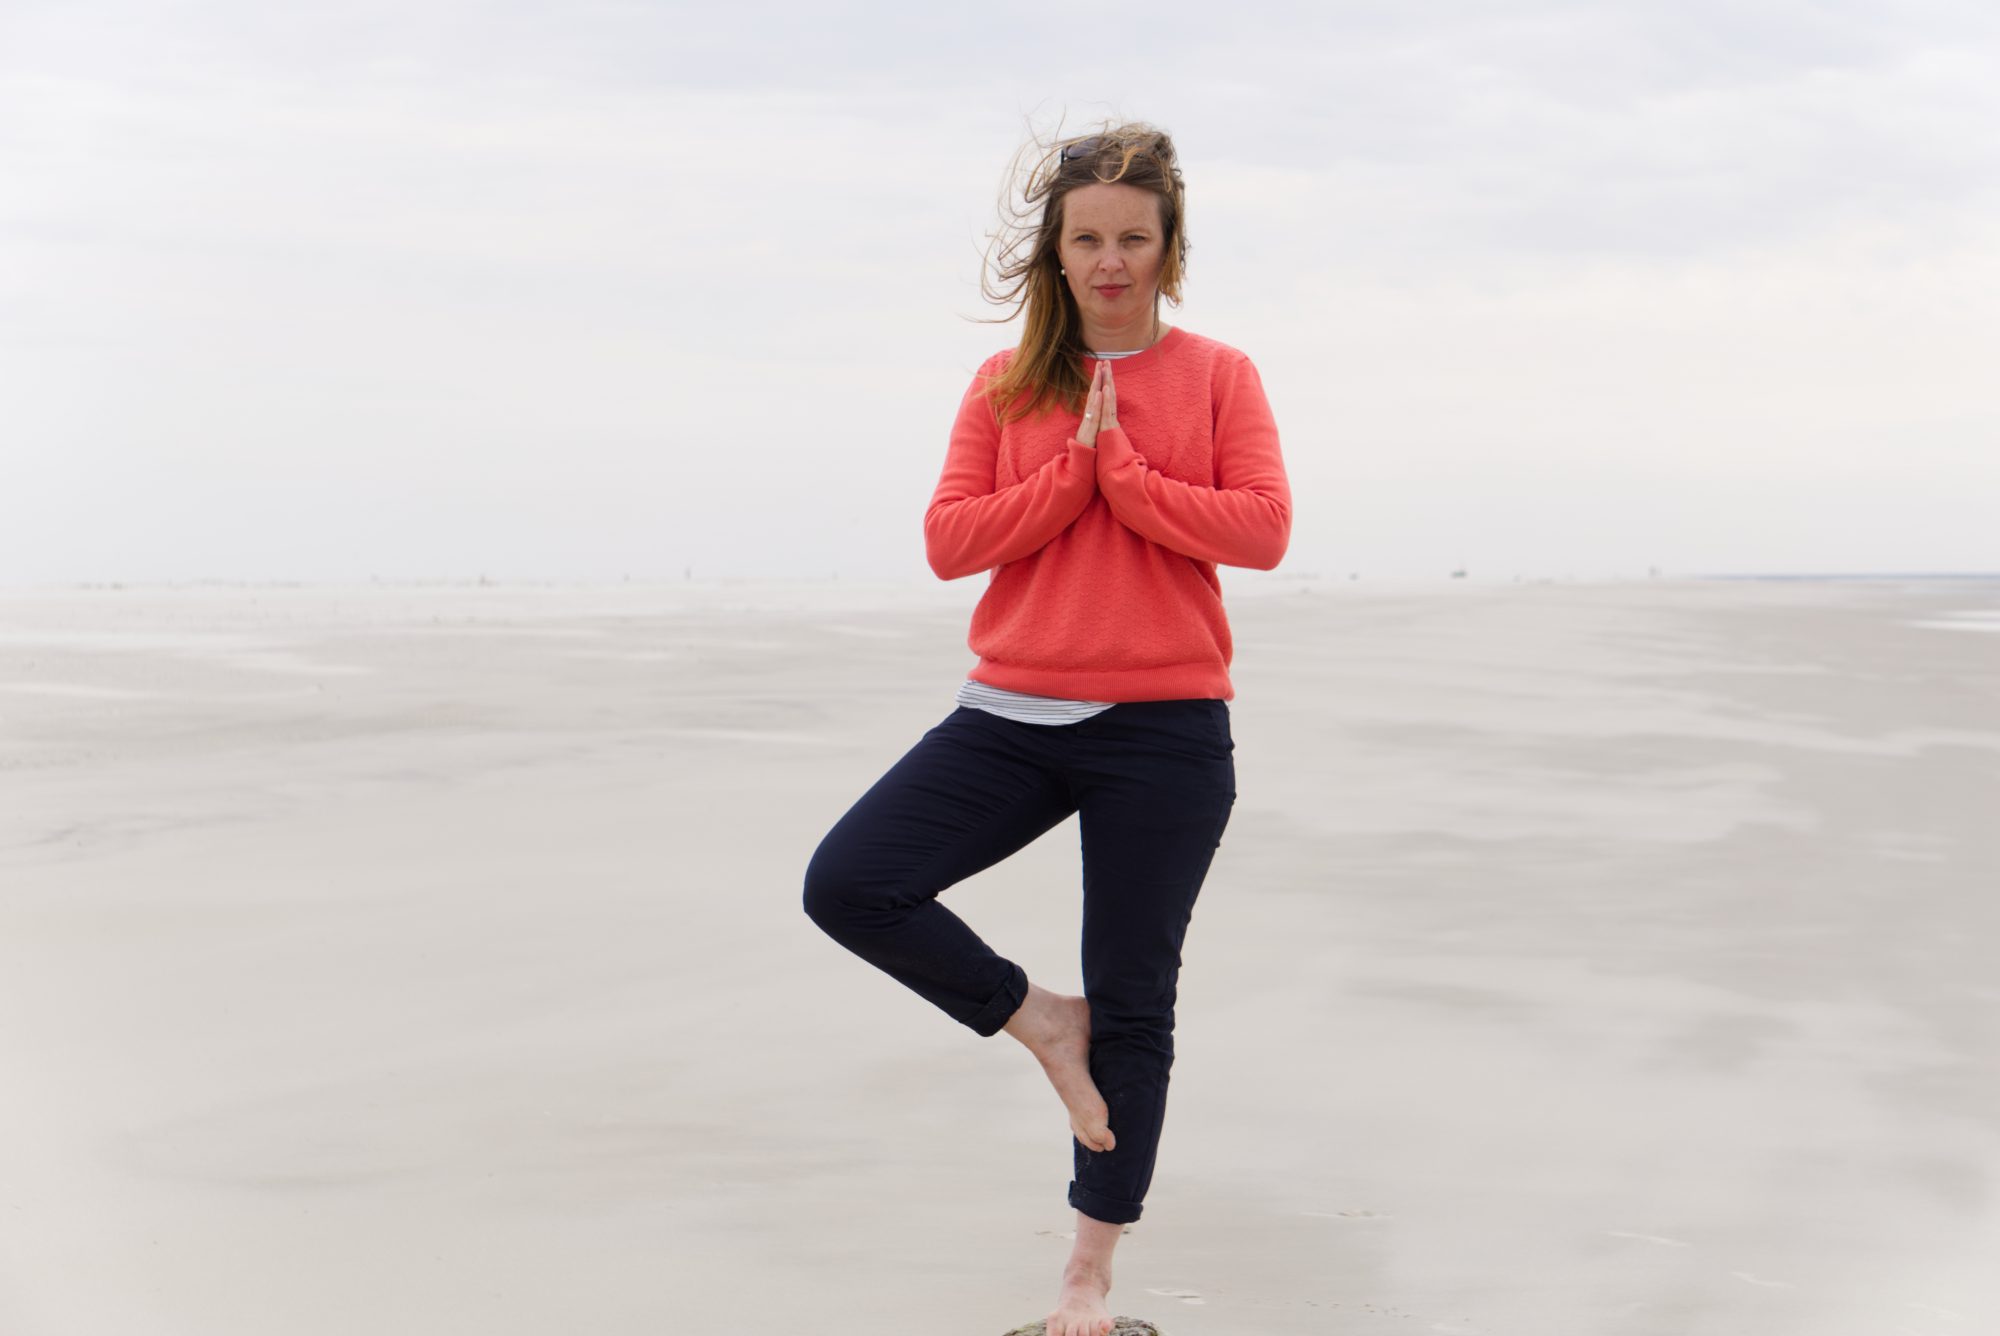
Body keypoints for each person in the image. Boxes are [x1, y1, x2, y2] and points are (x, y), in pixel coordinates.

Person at [801, 119, 1291, 1336]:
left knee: (1139, 1001)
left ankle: (1085, 1281)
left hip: (1166, 724)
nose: (1110, 259)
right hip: (1009, 715)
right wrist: (1069, 474)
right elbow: (948, 543)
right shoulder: (1005, 384)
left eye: (1133, 238)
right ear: (1055, 252)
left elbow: (1261, 530)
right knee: (851, 881)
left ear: (1166, 250)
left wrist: (1127, 475)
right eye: (1088, 238)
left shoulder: (1220, 374)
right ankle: (1036, 1016)